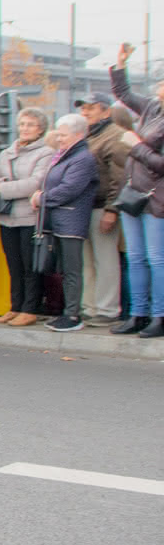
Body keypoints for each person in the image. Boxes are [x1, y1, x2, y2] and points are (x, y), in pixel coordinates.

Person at [108, 45, 164, 336]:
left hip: (157, 198)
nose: (158, 87)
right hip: (135, 194)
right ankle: (138, 313)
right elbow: (125, 95)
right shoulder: (153, 108)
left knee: (157, 259)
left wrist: (137, 145)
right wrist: (120, 65)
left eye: (162, 83)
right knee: (136, 257)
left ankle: (160, 315)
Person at [0, 108, 54, 326]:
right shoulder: (7, 152)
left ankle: (30, 308)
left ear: (41, 129)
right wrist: (1, 186)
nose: (25, 129)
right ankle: (15, 306)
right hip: (6, 217)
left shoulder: (45, 153)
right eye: (22, 124)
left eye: (30, 125)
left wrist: (2, 188)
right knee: (12, 264)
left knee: (29, 265)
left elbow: (35, 184)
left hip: (29, 217)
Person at [32, 114, 99, 332]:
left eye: (63, 135)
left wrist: (42, 198)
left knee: (72, 270)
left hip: (71, 221)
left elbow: (70, 189)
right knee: (64, 269)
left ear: (78, 134)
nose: (58, 138)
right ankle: (66, 311)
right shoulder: (67, 155)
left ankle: (72, 315)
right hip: (60, 220)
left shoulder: (82, 158)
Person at [74, 92, 127, 325]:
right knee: (88, 260)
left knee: (105, 260)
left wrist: (112, 210)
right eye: (83, 108)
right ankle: (90, 305)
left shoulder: (114, 136)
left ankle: (106, 309)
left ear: (106, 111)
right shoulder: (89, 135)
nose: (85, 112)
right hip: (86, 205)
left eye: (90, 108)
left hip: (102, 205)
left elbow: (119, 178)